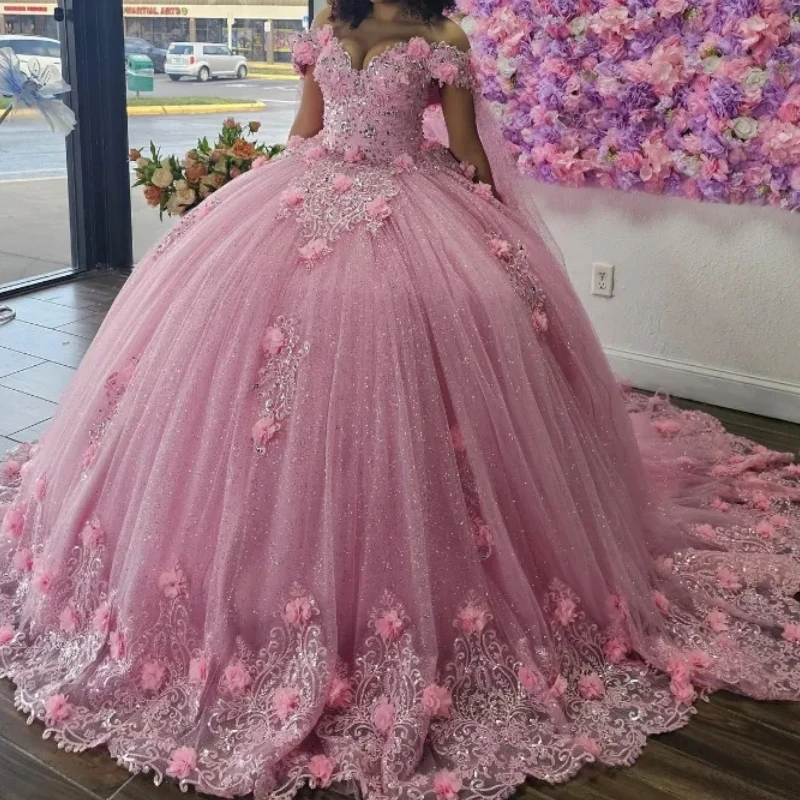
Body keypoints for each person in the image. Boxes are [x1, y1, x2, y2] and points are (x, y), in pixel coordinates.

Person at [1, 0, 799, 798]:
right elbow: (306, 134)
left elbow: (466, 153)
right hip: (309, 192)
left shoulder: (443, 40)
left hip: (409, 201)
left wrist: (487, 230)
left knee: (411, 356)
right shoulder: (328, 36)